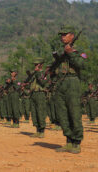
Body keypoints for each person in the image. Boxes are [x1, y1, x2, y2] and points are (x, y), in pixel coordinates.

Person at [52, 25, 85, 154]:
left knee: (74, 112)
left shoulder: (78, 50)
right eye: (61, 35)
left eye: (65, 34)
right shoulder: (61, 51)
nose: (62, 37)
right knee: (63, 114)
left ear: (72, 35)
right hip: (60, 83)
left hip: (72, 82)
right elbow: (57, 66)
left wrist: (71, 53)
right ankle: (68, 141)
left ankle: (76, 142)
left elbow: (81, 64)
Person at [27, 57, 48, 138]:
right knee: (34, 113)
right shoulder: (34, 73)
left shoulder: (44, 73)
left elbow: (42, 82)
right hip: (33, 94)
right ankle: (37, 130)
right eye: (35, 64)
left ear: (41, 65)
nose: (35, 66)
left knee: (40, 112)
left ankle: (42, 131)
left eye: (37, 64)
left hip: (40, 94)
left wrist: (38, 72)